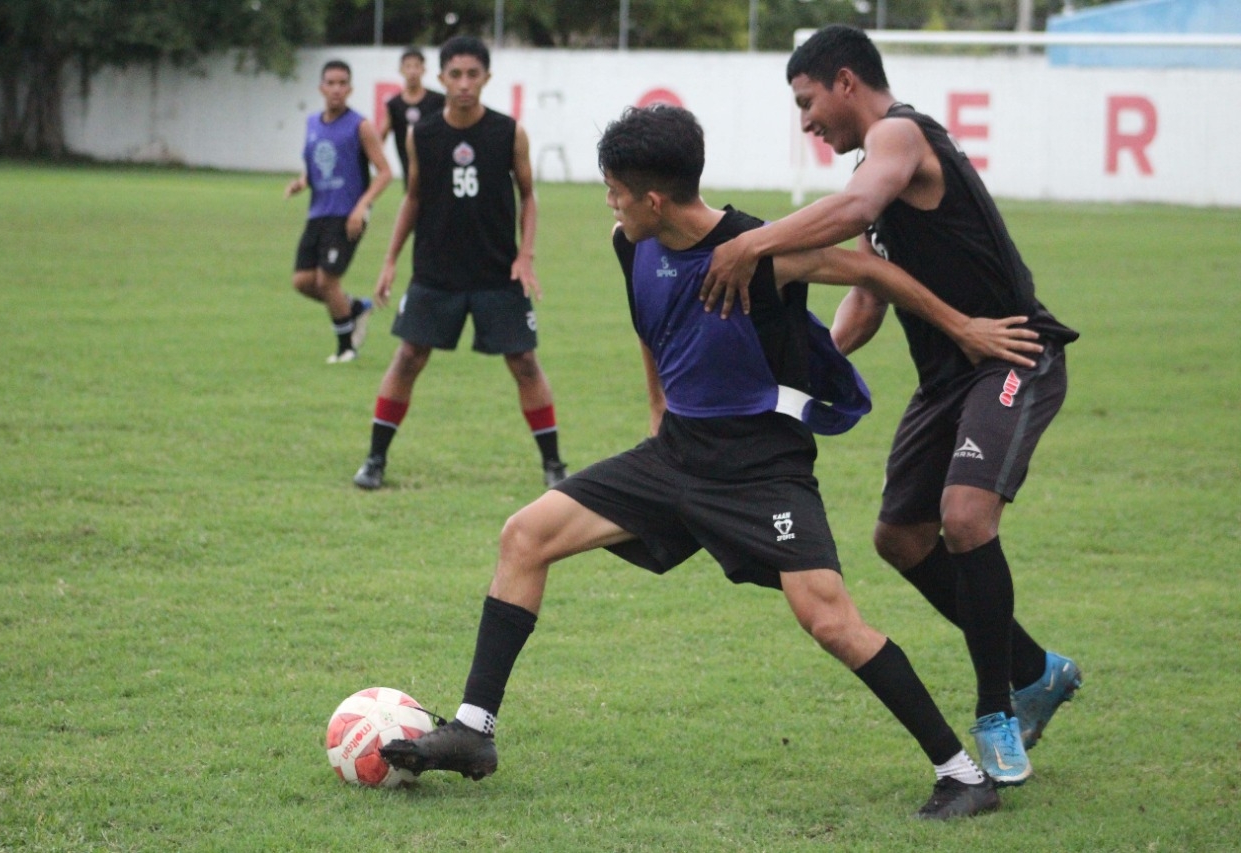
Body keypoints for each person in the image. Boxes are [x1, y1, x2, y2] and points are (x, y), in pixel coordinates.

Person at [380, 105, 1047, 819]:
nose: (609, 200)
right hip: (673, 457)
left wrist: (962, 326)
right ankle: (474, 731)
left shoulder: (764, 250)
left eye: (615, 189)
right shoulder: (627, 242)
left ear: (654, 198)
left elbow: (872, 271)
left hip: (763, 469)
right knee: (524, 536)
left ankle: (961, 774)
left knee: (829, 619)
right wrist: (657, 408)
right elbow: (653, 322)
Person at [701, 25, 1083, 787]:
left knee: (967, 516)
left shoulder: (899, 134)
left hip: (1011, 352)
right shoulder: (877, 165)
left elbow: (851, 209)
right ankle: (1036, 668)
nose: (807, 121)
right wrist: (803, 387)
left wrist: (752, 244)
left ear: (845, 82)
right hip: (948, 374)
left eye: (808, 103)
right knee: (901, 537)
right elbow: (869, 302)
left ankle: (996, 711)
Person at [352, 36, 566, 490]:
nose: (464, 84)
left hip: (497, 271)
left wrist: (525, 255)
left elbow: (528, 197)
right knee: (408, 357)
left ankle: (553, 466)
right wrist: (390, 260)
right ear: (441, 78)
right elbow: (413, 198)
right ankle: (374, 460)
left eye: (473, 74)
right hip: (436, 272)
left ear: (487, 77)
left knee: (525, 362)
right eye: (455, 74)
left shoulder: (509, 132)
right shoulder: (422, 134)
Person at [286, 59, 393, 364]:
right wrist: (302, 182)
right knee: (302, 282)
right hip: (318, 212)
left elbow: (385, 172)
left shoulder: (360, 126)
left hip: (347, 214)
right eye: (330, 83)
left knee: (327, 281)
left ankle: (346, 348)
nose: (336, 89)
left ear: (350, 89)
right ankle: (354, 307)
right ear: (321, 87)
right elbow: (318, 166)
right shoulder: (312, 124)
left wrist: (362, 206)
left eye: (342, 83)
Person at [382, 47, 446, 182]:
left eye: (416, 66)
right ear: (401, 70)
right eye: (408, 66)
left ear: (424, 69)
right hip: (409, 170)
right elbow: (381, 136)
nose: (412, 71)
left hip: (438, 167)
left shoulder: (438, 101)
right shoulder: (394, 105)